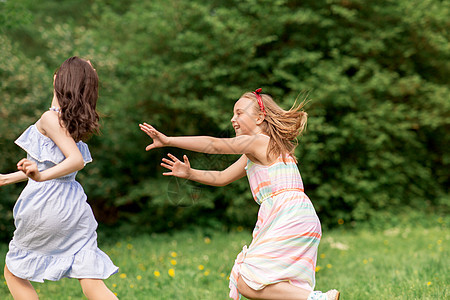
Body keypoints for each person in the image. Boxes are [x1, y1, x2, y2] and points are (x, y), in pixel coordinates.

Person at [139, 88, 339, 300]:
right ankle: (314, 298)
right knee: (274, 285)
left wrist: (169, 140)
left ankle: (318, 298)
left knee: (247, 280)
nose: (233, 119)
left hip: (288, 213)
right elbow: (222, 177)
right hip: (296, 214)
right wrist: (190, 173)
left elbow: (215, 144)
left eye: (239, 113)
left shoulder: (258, 141)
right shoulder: (257, 150)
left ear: (260, 117)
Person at [0, 57, 118, 300]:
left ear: (58, 79)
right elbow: (51, 167)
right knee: (92, 282)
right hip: (74, 207)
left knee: (13, 273)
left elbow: (74, 161)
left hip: (46, 205)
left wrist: (40, 176)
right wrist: (7, 179)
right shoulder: (72, 123)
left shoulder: (50, 118)